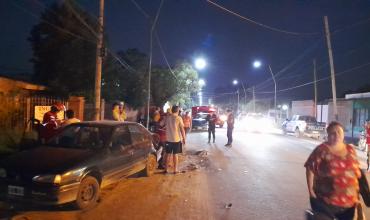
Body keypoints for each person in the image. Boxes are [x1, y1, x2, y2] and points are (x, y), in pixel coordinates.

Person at [304, 121, 362, 219]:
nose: (336, 135)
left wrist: (358, 194)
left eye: (339, 132)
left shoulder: (350, 150)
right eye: (332, 133)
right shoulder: (322, 150)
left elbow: (356, 171)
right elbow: (310, 168)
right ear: (328, 135)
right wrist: (310, 191)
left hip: (349, 203)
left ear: (343, 134)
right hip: (327, 202)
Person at [165, 105, 186, 174]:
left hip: (168, 139)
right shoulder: (178, 118)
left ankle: (166, 169)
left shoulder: (167, 118)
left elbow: (161, 124)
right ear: (177, 110)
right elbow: (182, 129)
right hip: (176, 139)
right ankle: (175, 170)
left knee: (168, 154)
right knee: (175, 154)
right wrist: (184, 138)